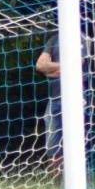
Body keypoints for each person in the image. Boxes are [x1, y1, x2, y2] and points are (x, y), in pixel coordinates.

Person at [35, 35, 63, 178]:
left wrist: (50, 68)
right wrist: (65, 65)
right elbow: (40, 65)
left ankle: (79, 182)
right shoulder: (54, 40)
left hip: (77, 97)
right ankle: (56, 184)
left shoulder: (82, 38)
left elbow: (78, 64)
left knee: (75, 142)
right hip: (54, 99)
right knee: (52, 144)